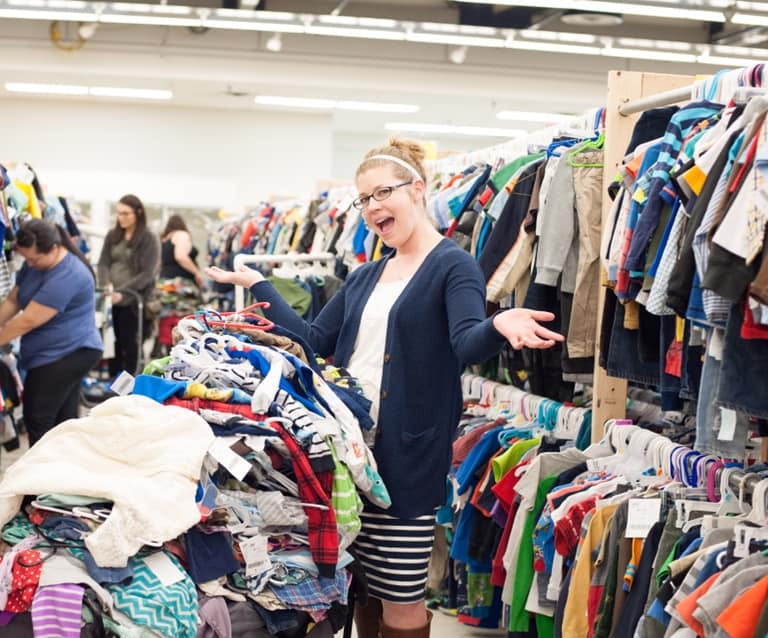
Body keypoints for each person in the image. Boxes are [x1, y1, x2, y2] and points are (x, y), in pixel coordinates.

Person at [207, 138, 562, 638]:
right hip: (351, 455)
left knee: (401, 595)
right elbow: (311, 341)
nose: (373, 207)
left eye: (382, 193)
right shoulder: (364, 276)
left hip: (406, 456)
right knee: (361, 587)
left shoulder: (451, 265)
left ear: (417, 190)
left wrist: (499, 323)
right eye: (364, 199)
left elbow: (466, 342)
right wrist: (258, 285)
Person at [0, 219, 103, 446]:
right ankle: (61, 474)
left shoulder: (69, 275)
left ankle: (42, 476)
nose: (29, 264)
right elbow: (13, 301)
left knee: (38, 417)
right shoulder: (37, 266)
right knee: (63, 422)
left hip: (69, 352)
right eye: (26, 259)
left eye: (34, 259)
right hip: (55, 351)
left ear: (53, 248)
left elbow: (28, 320)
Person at [97, 194, 161, 377]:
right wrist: (105, 285)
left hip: (135, 301)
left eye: (126, 213)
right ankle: (112, 382)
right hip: (111, 299)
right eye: (118, 214)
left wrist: (123, 293)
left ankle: (129, 385)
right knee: (111, 343)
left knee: (131, 344)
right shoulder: (113, 235)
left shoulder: (148, 238)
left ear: (138, 213)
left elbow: (148, 273)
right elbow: (103, 262)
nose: (121, 218)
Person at [160, 214, 205, 287]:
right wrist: (197, 272)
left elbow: (159, 262)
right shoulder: (181, 234)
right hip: (180, 282)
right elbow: (180, 256)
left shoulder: (165, 238)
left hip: (165, 279)